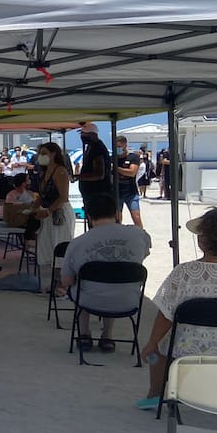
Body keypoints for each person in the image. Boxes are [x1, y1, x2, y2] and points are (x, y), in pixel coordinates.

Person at [137, 208, 217, 410]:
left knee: (162, 341)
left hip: (190, 348)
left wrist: (151, 343)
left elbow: (166, 314)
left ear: (202, 240)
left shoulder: (184, 272)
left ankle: (156, 394)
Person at [58, 192, 151, 352]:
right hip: (128, 300)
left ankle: (85, 334)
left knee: (83, 286)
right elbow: (145, 253)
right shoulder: (139, 235)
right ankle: (108, 335)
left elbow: (66, 281)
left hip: (89, 300)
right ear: (116, 213)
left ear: (89, 216)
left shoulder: (77, 243)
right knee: (114, 283)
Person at [33, 141, 77, 289]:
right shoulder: (44, 172)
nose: (41, 156)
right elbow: (41, 194)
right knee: (47, 246)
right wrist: (33, 208)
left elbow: (63, 197)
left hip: (59, 213)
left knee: (60, 245)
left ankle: (62, 284)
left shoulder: (60, 171)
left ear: (54, 154)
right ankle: (53, 281)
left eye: (44, 153)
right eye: (40, 153)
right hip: (48, 213)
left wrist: (47, 211)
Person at [76, 122, 113, 220]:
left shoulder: (97, 149)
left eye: (84, 134)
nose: (82, 136)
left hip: (97, 194)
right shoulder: (91, 147)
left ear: (92, 134)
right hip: (91, 194)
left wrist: (77, 177)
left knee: (96, 220)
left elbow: (99, 174)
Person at [113, 136, 144, 228]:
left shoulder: (133, 157)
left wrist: (116, 169)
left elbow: (132, 172)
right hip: (116, 192)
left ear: (125, 145)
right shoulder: (113, 158)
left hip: (130, 192)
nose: (118, 149)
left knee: (136, 216)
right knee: (117, 218)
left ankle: (140, 235)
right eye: (116, 147)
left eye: (119, 147)